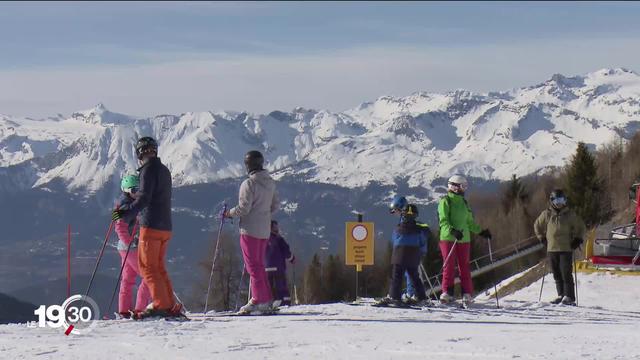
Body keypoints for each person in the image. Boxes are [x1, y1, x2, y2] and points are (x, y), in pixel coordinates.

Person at [112, 137, 179, 319]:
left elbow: (144, 198)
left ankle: (159, 304)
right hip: (166, 225)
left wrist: (126, 213)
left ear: (139, 153)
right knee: (158, 267)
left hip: (151, 225)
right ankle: (168, 303)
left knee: (148, 268)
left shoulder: (147, 170)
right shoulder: (164, 170)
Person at [224, 150, 279, 313]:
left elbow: (244, 208)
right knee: (260, 264)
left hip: (249, 229)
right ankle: (266, 298)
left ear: (248, 165)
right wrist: (263, 213)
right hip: (264, 229)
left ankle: (258, 300)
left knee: (252, 266)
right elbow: (275, 205)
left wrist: (229, 214)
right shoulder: (270, 182)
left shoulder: (248, 184)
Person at [438, 175, 491, 306]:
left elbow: (469, 222)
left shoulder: (464, 202)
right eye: (462, 186)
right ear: (454, 187)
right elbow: (443, 221)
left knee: (464, 267)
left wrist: (481, 232)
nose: (464, 189)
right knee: (449, 266)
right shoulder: (445, 201)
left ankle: (466, 293)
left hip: (464, 239)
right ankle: (447, 292)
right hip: (449, 238)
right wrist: (452, 231)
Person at [534, 189, 586, 305]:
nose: (559, 203)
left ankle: (569, 297)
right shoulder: (547, 214)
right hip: (552, 248)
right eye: (557, 200)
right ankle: (561, 295)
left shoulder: (569, 214)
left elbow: (581, 226)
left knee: (565, 272)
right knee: (556, 273)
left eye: (562, 200)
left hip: (565, 248)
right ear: (552, 201)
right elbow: (537, 225)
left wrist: (578, 239)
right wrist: (541, 238)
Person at [377, 204, 431, 307]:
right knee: (415, 277)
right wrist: (421, 254)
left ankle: (394, 296)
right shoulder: (419, 230)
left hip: (399, 255)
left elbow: (394, 240)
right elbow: (422, 242)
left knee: (397, 277)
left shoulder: (398, 229)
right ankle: (422, 297)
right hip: (413, 255)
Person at [113, 174, 151, 318]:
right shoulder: (127, 206)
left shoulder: (127, 203)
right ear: (126, 190)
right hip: (131, 248)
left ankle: (124, 310)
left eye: (139, 189)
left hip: (124, 248)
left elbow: (117, 219)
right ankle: (140, 310)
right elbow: (119, 226)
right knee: (149, 277)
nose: (137, 193)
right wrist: (129, 242)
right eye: (134, 189)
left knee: (128, 279)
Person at [266, 220, 295, 306]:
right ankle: (284, 302)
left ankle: (269, 302)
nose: (277, 229)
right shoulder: (279, 239)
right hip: (278, 267)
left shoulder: (263, 239)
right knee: (281, 286)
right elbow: (286, 251)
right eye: (276, 227)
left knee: (268, 287)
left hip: (265, 268)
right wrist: (292, 259)